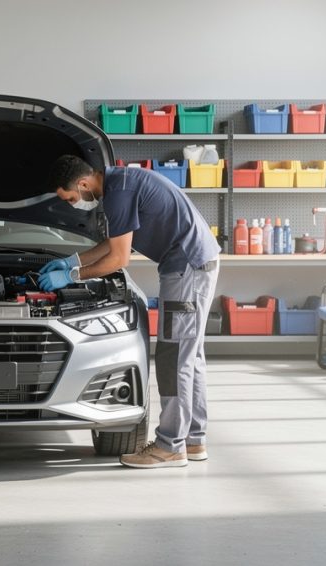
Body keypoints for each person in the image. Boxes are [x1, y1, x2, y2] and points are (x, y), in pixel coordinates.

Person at [40, 155, 221, 469]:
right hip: (194, 263)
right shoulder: (120, 183)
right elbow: (114, 245)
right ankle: (193, 440)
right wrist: (72, 261)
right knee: (189, 357)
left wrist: (71, 277)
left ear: (83, 184)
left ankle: (169, 446)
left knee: (173, 356)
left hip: (186, 268)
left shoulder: (118, 194)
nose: (72, 205)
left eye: (70, 198)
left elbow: (119, 260)